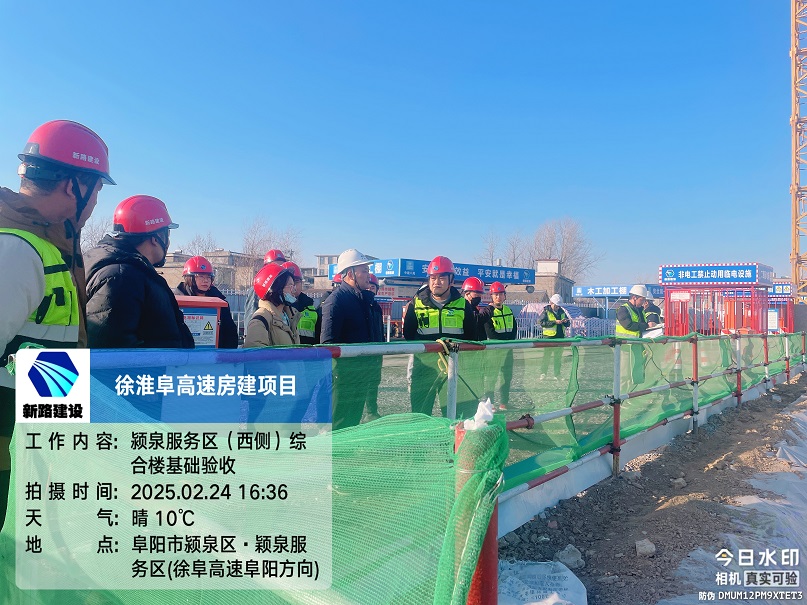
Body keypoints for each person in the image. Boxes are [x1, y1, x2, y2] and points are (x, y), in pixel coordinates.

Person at [0, 120, 114, 530]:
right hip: (9, 450)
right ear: (73, 186)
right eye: (97, 189)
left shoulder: (50, 246)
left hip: (37, 442)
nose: (96, 201)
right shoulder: (17, 251)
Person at [85, 195, 195, 349]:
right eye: (167, 235)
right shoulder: (122, 277)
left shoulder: (129, 272)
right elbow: (110, 349)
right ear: (156, 237)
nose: (169, 242)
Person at [403, 255, 478, 417]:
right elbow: (408, 333)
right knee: (420, 414)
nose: (436, 282)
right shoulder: (416, 303)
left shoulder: (462, 305)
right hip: (424, 369)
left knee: (454, 414)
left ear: (451, 281)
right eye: (433, 278)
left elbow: (472, 336)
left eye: (442, 278)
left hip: (454, 367)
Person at [320, 249, 377, 429]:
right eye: (364, 271)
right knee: (339, 425)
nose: (368, 275)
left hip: (360, 376)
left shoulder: (363, 300)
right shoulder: (336, 301)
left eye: (368, 271)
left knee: (352, 423)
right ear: (350, 274)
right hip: (343, 379)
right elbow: (327, 344)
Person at [174, 255, 238, 348]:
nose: (206, 281)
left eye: (208, 277)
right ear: (190, 278)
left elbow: (230, 334)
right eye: (201, 276)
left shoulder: (220, 302)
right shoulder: (175, 301)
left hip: (214, 354)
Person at [480, 281, 517, 410]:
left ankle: (504, 403)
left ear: (504, 296)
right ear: (491, 296)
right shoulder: (488, 311)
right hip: (494, 351)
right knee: (491, 378)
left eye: (501, 294)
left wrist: (509, 343)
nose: (498, 297)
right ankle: (490, 404)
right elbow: (490, 332)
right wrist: (504, 343)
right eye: (495, 294)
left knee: (507, 377)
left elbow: (514, 328)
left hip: (507, 350)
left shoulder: (508, 310)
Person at [244, 263, 299, 347]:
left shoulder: (289, 316)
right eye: (290, 286)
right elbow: (255, 353)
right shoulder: (260, 321)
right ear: (276, 289)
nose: (294, 290)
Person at [616, 284, 650, 390]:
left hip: (636, 346)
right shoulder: (623, 309)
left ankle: (631, 394)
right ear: (634, 297)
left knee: (635, 373)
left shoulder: (640, 310)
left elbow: (642, 324)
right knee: (624, 374)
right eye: (641, 300)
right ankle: (621, 395)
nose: (643, 302)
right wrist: (646, 326)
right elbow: (629, 325)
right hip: (625, 347)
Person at [243, 248, 287, 322]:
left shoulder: (282, 290)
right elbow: (250, 319)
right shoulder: (257, 290)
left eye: (281, 267)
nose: (279, 270)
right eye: (276, 266)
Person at [363, 273, 385, 421]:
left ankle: (371, 411)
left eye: (373, 287)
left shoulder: (377, 308)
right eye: (368, 287)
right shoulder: (359, 306)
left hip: (376, 352)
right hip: (362, 353)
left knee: (374, 382)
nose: (370, 290)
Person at [282, 261, 318, 345]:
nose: (293, 286)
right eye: (288, 283)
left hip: (307, 353)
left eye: (296, 281)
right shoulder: (274, 310)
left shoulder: (311, 309)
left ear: (301, 283)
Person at [538, 293, 571, 379]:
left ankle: (557, 374)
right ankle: (543, 373)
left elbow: (568, 324)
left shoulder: (562, 311)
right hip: (549, 338)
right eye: (556, 305)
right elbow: (542, 323)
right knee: (547, 357)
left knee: (558, 357)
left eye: (559, 306)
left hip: (560, 337)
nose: (558, 307)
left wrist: (565, 322)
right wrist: (554, 322)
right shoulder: (546, 311)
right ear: (551, 303)